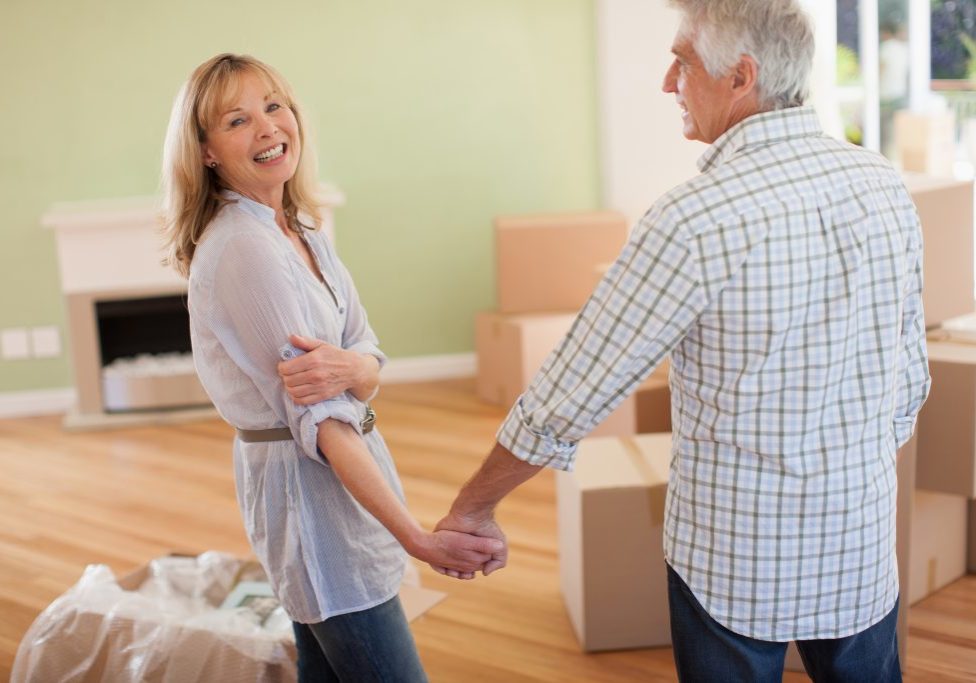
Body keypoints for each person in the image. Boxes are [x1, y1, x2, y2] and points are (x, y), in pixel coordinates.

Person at [436, 1, 930, 681]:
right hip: (859, 547)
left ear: (742, 77)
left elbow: (566, 395)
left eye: (684, 62)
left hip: (737, 561)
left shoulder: (695, 219)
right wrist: (846, 471)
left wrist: (472, 506)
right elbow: (909, 375)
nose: (669, 82)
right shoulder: (882, 185)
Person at [161, 53, 501, 683]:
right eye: (237, 120)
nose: (266, 127)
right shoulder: (245, 249)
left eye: (273, 105)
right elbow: (323, 419)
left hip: (347, 478)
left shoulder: (303, 230)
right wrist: (418, 539)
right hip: (311, 496)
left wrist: (353, 368)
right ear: (206, 151)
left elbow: (369, 357)